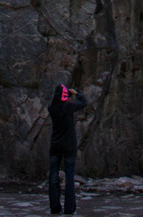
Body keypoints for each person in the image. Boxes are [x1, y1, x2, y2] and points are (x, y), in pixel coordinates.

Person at [48, 83, 88, 215]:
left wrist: (66, 94)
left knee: (53, 178)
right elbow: (84, 103)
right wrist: (76, 94)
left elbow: (59, 100)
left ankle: (55, 208)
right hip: (69, 147)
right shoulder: (69, 107)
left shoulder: (52, 108)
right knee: (69, 178)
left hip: (55, 147)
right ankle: (69, 209)